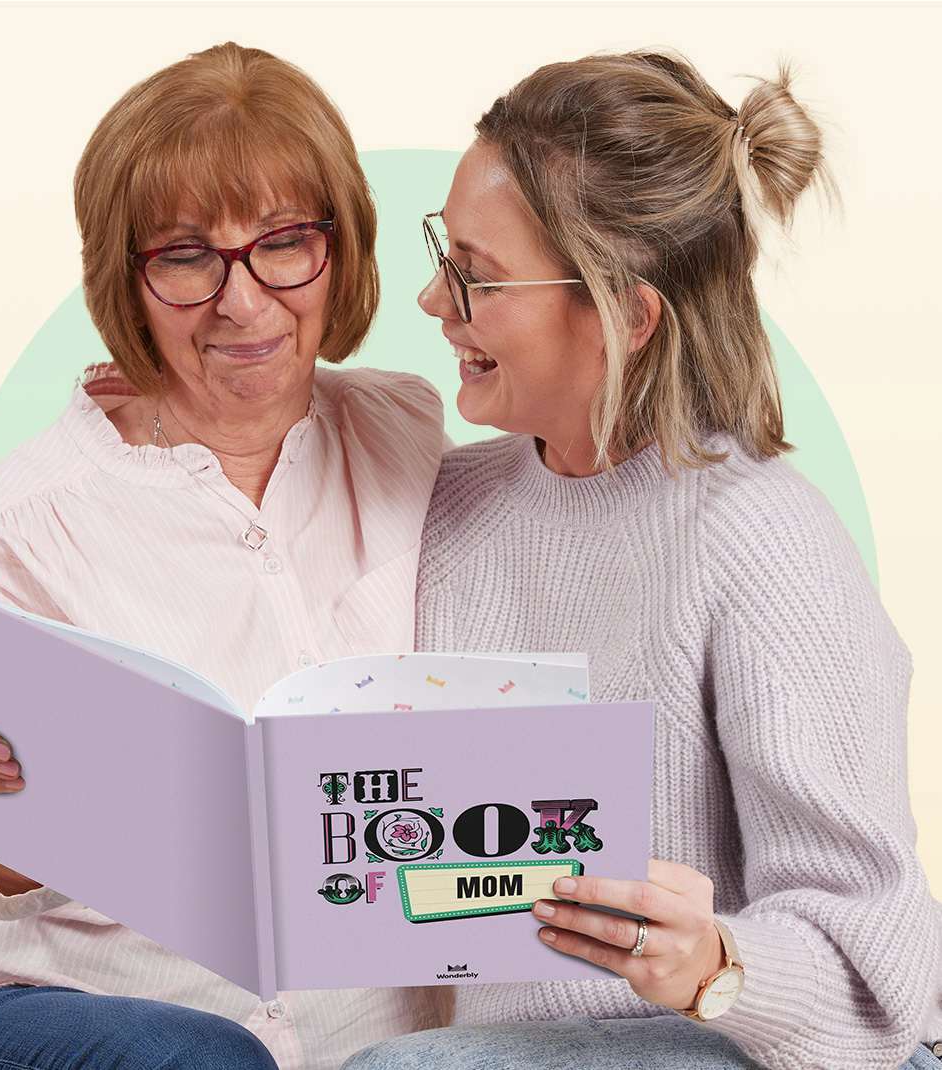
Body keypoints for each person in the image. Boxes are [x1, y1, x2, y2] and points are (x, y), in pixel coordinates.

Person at [342, 50, 942, 1070]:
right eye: (445, 252)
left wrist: (713, 960)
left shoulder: (760, 540)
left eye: (476, 278)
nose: (431, 302)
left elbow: (876, 971)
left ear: (624, 314)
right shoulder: (453, 502)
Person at [0, 43, 448, 1070]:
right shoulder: (14, 525)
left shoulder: (403, 430)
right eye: (185, 256)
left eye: (282, 241)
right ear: (126, 278)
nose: (241, 300)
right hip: (51, 1010)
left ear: (340, 247)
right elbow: (12, 877)